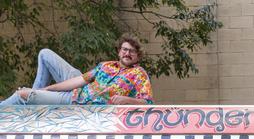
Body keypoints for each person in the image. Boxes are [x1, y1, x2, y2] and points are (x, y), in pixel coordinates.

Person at [0, 34, 153, 107]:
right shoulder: (106, 65)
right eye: (125, 50)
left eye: (132, 51)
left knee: (22, 95)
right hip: (77, 88)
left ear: (137, 56)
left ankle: (30, 97)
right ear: (119, 51)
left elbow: (147, 102)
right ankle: (36, 94)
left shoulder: (139, 74)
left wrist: (126, 100)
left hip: (79, 101)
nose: (127, 53)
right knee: (45, 54)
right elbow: (79, 80)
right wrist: (45, 90)